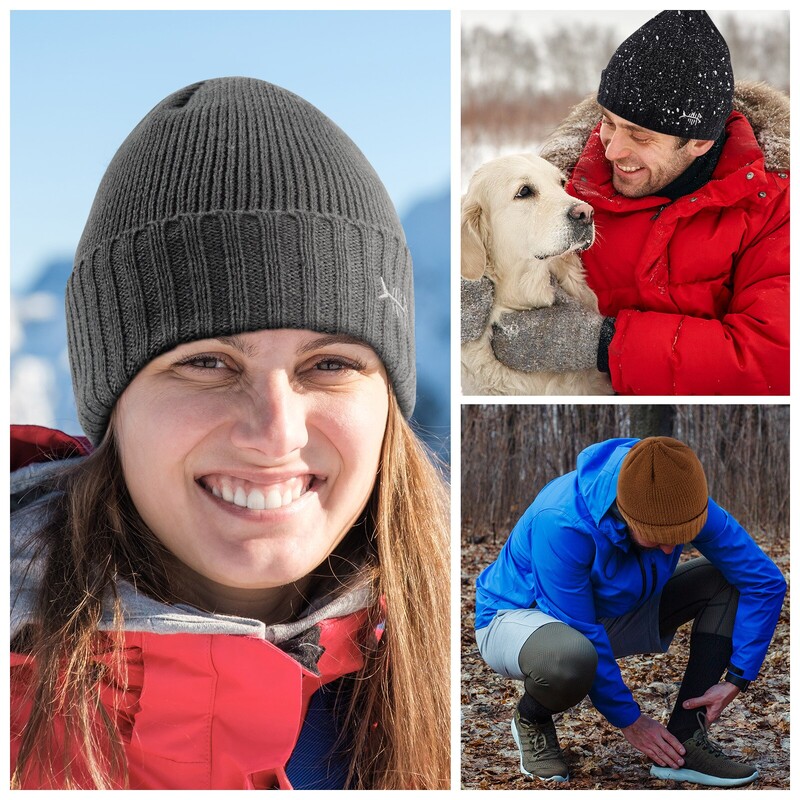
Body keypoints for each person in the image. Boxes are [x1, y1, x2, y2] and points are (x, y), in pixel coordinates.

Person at [10, 77, 450, 790]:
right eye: (207, 362)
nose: (275, 431)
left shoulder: (450, 664)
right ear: (112, 406)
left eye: (330, 363)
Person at [462, 11, 789, 395]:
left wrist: (604, 343)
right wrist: (464, 286)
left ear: (700, 142)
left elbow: (774, 359)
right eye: (608, 122)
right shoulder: (571, 179)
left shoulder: (773, 210)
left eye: (641, 136)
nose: (613, 150)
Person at [474, 436, 786, 787]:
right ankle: (532, 718)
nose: (671, 546)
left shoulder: (679, 496)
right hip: (516, 619)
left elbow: (764, 581)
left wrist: (736, 680)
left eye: (680, 536)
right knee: (570, 656)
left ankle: (686, 742)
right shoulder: (562, 520)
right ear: (625, 512)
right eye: (657, 536)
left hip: (606, 611)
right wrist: (632, 721)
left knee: (726, 581)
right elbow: (581, 628)